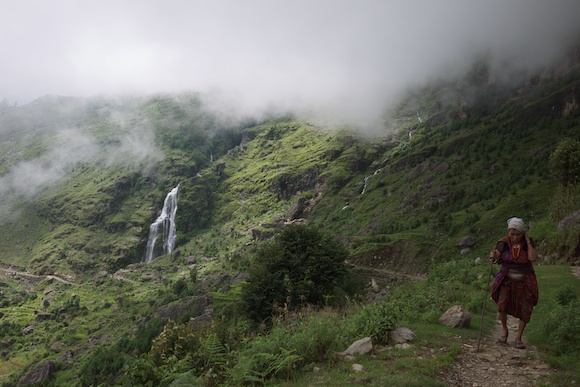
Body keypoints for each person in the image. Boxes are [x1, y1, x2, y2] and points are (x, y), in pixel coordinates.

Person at [488, 217, 538, 349]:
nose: (515, 237)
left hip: (525, 278)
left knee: (526, 307)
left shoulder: (528, 242)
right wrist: (493, 256)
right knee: (502, 304)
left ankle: (519, 337)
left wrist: (527, 241)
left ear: (522, 234)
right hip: (507, 278)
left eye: (518, 234)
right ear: (508, 232)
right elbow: (497, 255)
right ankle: (504, 330)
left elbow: (532, 258)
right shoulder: (504, 242)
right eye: (512, 234)